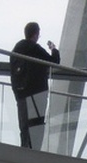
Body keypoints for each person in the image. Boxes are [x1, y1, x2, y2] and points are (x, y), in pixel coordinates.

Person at [10, 21, 60, 149]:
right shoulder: (35, 49)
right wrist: (53, 48)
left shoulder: (16, 50)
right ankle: (34, 154)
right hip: (36, 94)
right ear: (36, 34)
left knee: (24, 128)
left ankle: (24, 152)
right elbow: (54, 62)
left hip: (21, 94)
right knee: (36, 127)